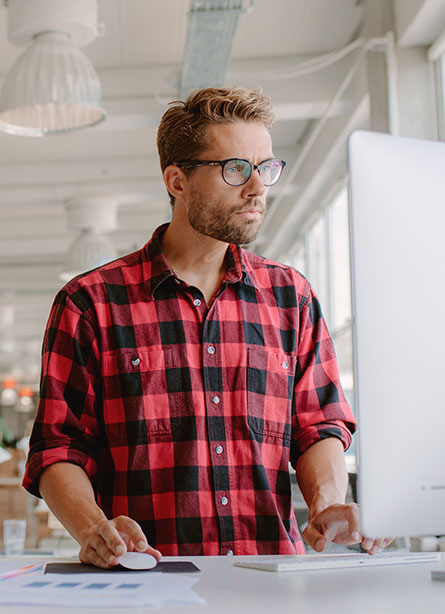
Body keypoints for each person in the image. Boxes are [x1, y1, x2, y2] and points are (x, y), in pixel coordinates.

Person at [23, 87, 388, 569]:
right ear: (177, 180)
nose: (257, 188)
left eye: (266, 169)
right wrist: (94, 529)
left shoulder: (291, 297)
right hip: (147, 584)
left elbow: (318, 426)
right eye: (236, 169)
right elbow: (58, 447)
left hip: (272, 583)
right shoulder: (90, 303)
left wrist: (325, 503)